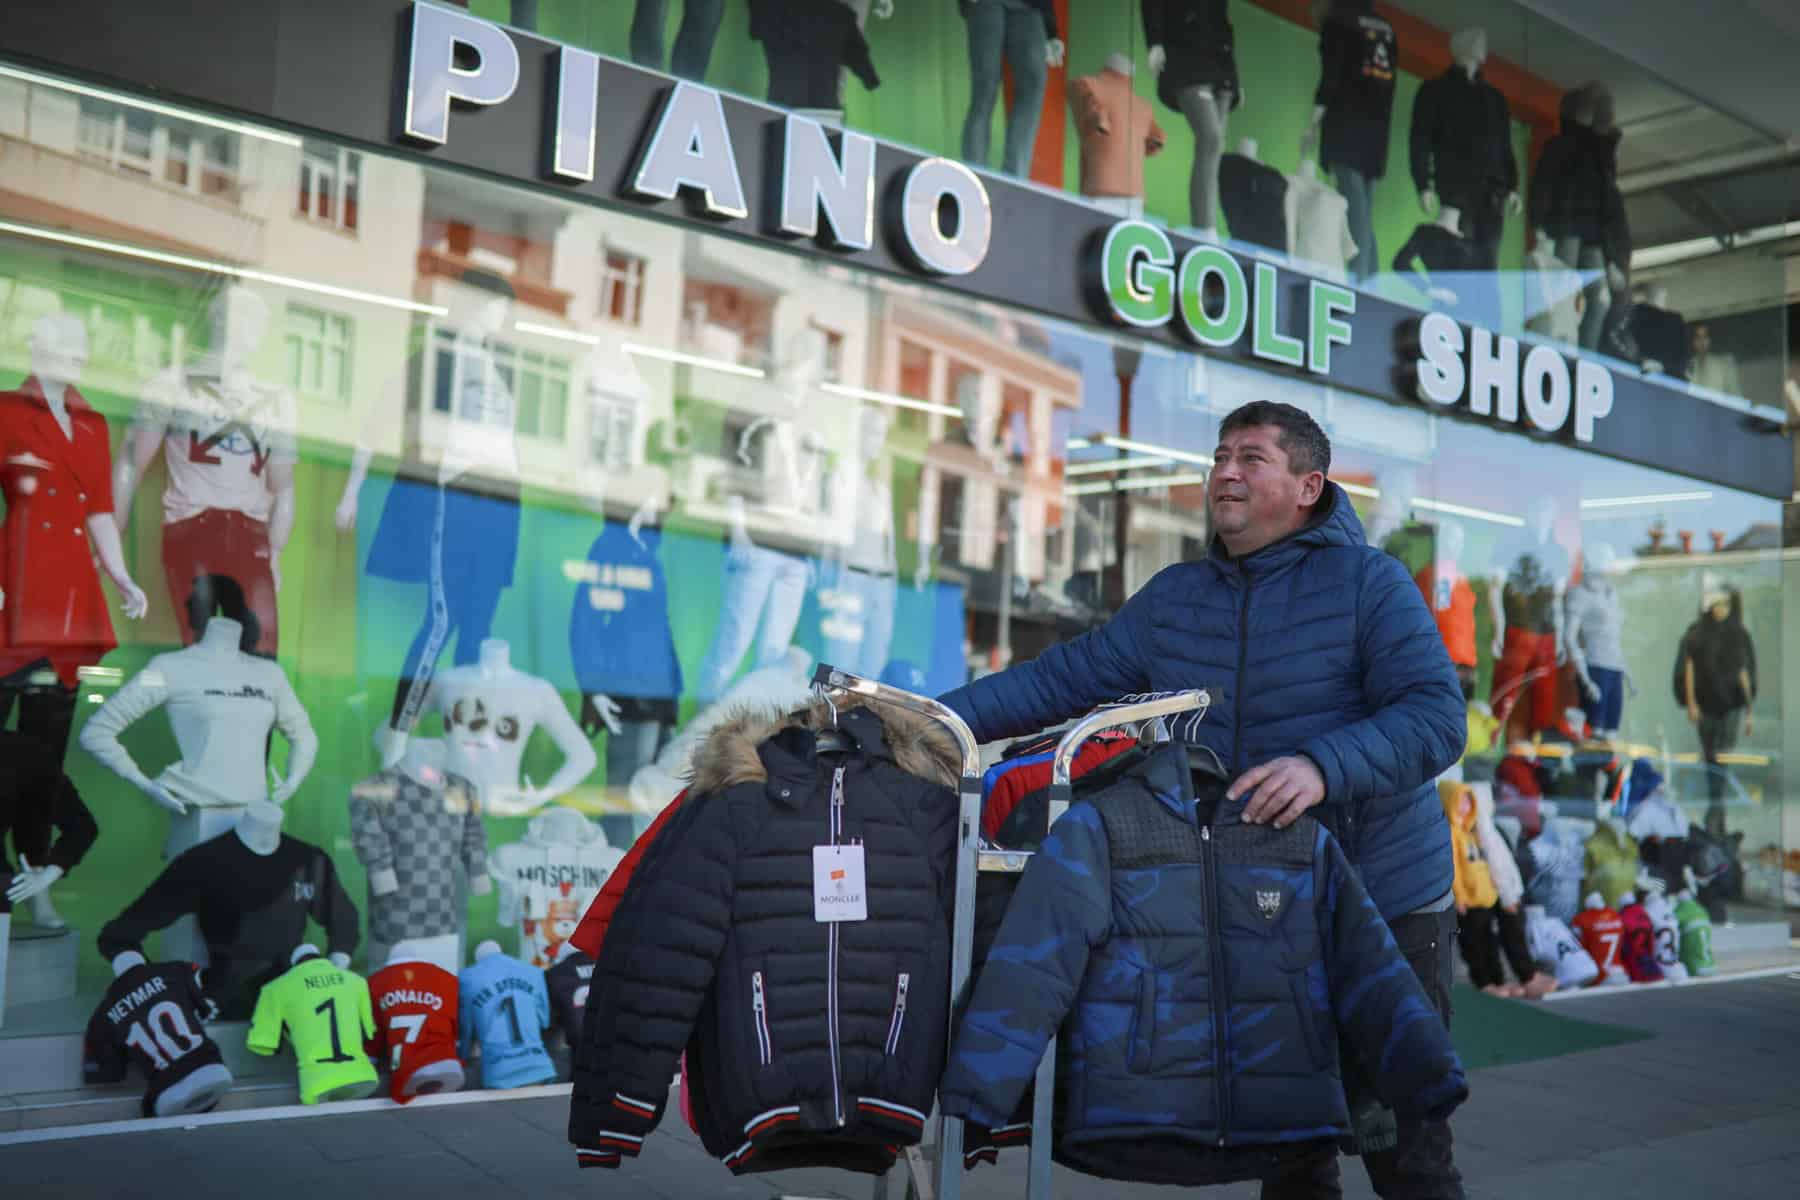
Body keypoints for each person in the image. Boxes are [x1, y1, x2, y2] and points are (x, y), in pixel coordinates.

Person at [939, 401, 1467, 1198]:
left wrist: (1322, 767)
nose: (1224, 471)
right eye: (1220, 455)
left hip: (1387, 895)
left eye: (1251, 458)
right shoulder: (1177, 597)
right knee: (1291, 1144)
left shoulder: (1371, 584)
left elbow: (1435, 716)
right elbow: (1057, 681)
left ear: (1307, 485)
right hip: (1270, 904)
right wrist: (930, 721)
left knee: (1405, 1144)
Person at [1676, 582, 1755, 837]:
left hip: (1731, 707)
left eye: (1725, 604)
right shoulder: (1696, 633)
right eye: (1716, 604)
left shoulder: (1738, 634)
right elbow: (1688, 669)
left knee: (1723, 759)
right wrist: (1691, 703)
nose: (1720, 609)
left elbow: (1744, 672)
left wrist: (1749, 710)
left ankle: (1716, 818)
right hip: (1706, 707)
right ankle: (1715, 817)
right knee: (1711, 760)